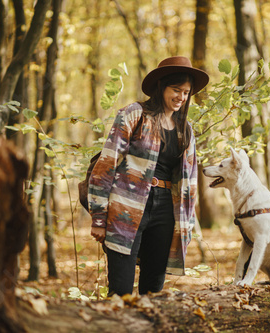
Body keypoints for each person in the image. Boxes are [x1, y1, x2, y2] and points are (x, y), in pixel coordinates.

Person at [88, 56, 209, 296]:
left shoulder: (186, 129)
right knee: (120, 291)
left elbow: (190, 183)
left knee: (153, 292)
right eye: (176, 90)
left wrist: (186, 225)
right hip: (126, 208)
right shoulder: (135, 115)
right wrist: (99, 217)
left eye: (186, 93)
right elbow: (106, 165)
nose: (181, 98)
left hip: (165, 212)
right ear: (161, 86)